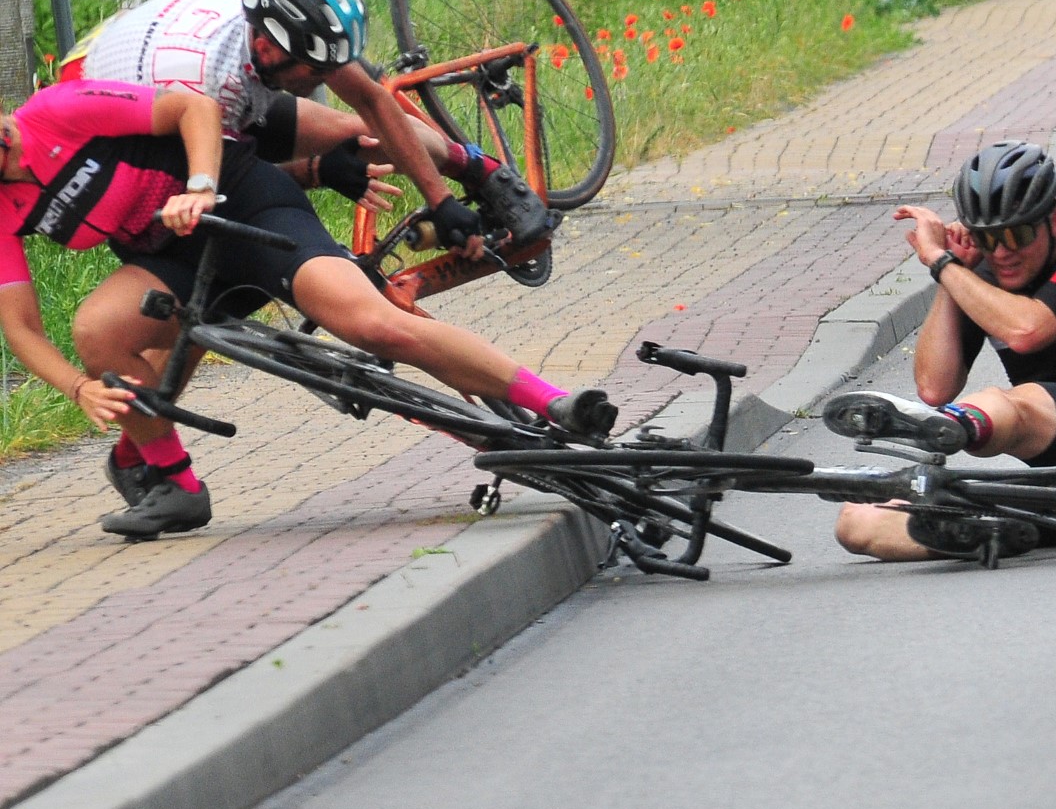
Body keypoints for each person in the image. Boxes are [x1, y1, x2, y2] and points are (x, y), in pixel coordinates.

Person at [0, 77, 612, 542]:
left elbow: (194, 107)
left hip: (243, 205)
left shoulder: (58, 110)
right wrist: (79, 388)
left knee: (374, 325)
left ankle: (554, 402)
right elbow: (21, 327)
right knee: (97, 330)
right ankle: (175, 484)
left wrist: (200, 186)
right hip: (177, 259)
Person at [824, 144, 1056, 562]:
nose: (1002, 252)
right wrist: (953, 273)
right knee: (856, 523)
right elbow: (935, 386)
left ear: (1054, 221)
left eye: (1017, 235)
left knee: (1018, 401)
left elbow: (1027, 331)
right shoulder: (977, 281)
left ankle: (951, 426)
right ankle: (992, 531)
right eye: (988, 238)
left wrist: (939, 260)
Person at [74, 0, 549, 254]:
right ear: (268, 49)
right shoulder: (208, 88)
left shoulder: (270, 26)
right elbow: (226, 190)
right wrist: (319, 171)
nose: (329, 79)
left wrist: (441, 201)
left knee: (358, 135)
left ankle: (484, 171)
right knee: (217, 240)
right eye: (318, 70)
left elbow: (373, 104)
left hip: (197, 75)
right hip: (146, 136)